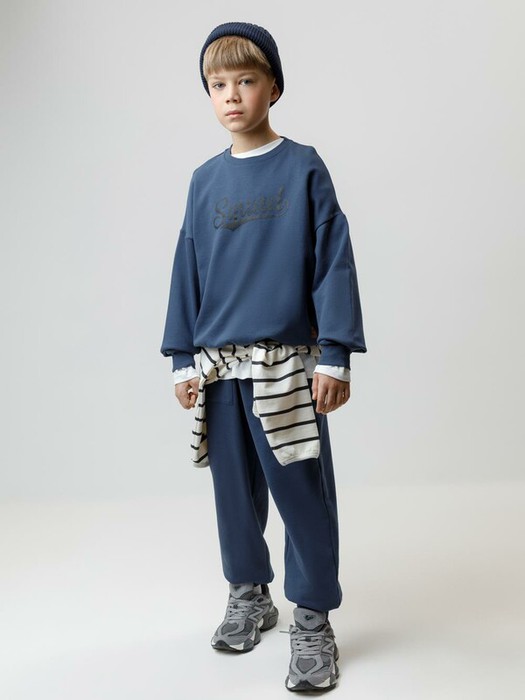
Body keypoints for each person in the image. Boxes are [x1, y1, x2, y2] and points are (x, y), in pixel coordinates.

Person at [160, 21, 367, 693]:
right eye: (217, 84)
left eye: (245, 80)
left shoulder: (302, 166)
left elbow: (333, 260)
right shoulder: (203, 181)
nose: (231, 95)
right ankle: (248, 593)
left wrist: (334, 354)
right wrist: (181, 357)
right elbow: (187, 268)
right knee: (232, 492)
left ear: (272, 87)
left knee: (300, 491)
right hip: (219, 366)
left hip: (285, 365)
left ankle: (312, 619)